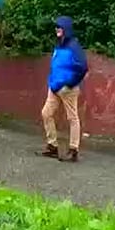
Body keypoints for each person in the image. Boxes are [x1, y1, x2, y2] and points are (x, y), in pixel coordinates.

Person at [41, 16, 89, 162]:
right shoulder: (58, 45)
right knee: (46, 113)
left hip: (68, 89)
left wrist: (70, 83)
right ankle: (52, 146)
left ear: (66, 29)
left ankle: (73, 150)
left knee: (72, 117)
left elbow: (83, 68)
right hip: (54, 87)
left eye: (59, 26)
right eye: (56, 27)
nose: (57, 29)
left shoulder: (74, 46)